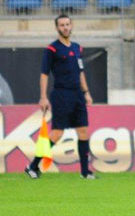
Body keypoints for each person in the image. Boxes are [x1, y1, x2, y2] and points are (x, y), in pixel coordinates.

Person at [25, 14, 96, 180]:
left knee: (84, 131)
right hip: (61, 94)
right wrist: (43, 97)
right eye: (62, 25)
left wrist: (86, 92)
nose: (65, 27)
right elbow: (44, 74)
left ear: (72, 26)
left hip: (77, 94)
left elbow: (80, 72)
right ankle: (33, 166)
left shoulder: (77, 48)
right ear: (57, 28)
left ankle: (85, 172)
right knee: (56, 134)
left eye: (67, 24)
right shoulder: (52, 49)